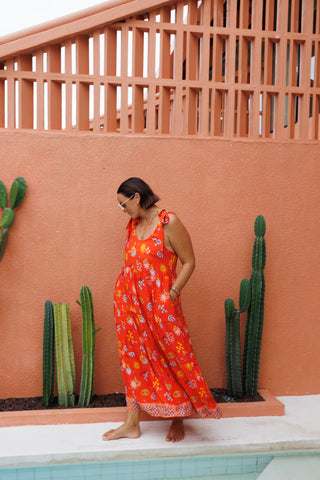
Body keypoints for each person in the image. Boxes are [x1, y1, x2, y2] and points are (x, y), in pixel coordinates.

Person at [103, 177, 222, 443]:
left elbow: (189, 261)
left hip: (160, 306)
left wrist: (172, 294)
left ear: (136, 197)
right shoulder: (133, 225)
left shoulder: (169, 222)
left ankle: (177, 418)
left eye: (124, 204)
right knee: (133, 360)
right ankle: (131, 423)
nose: (123, 210)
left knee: (172, 357)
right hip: (129, 306)